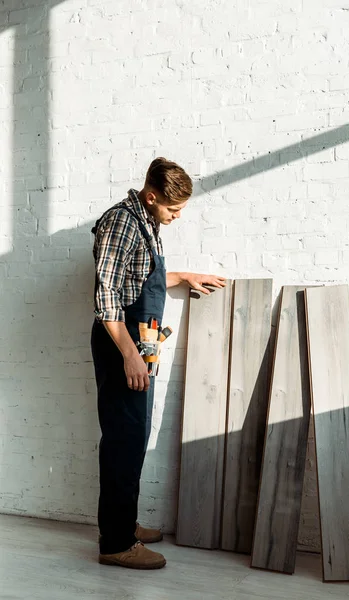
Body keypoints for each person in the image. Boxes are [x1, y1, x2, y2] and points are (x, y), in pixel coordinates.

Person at [91, 157, 226, 569]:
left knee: (134, 440)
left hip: (141, 344)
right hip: (122, 344)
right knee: (122, 442)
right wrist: (129, 354)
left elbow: (141, 276)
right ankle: (115, 543)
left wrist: (182, 276)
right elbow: (106, 295)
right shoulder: (120, 222)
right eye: (173, 209)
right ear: (152, 196)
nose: (178, 216)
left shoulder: (147, 222)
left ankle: (125, 523)